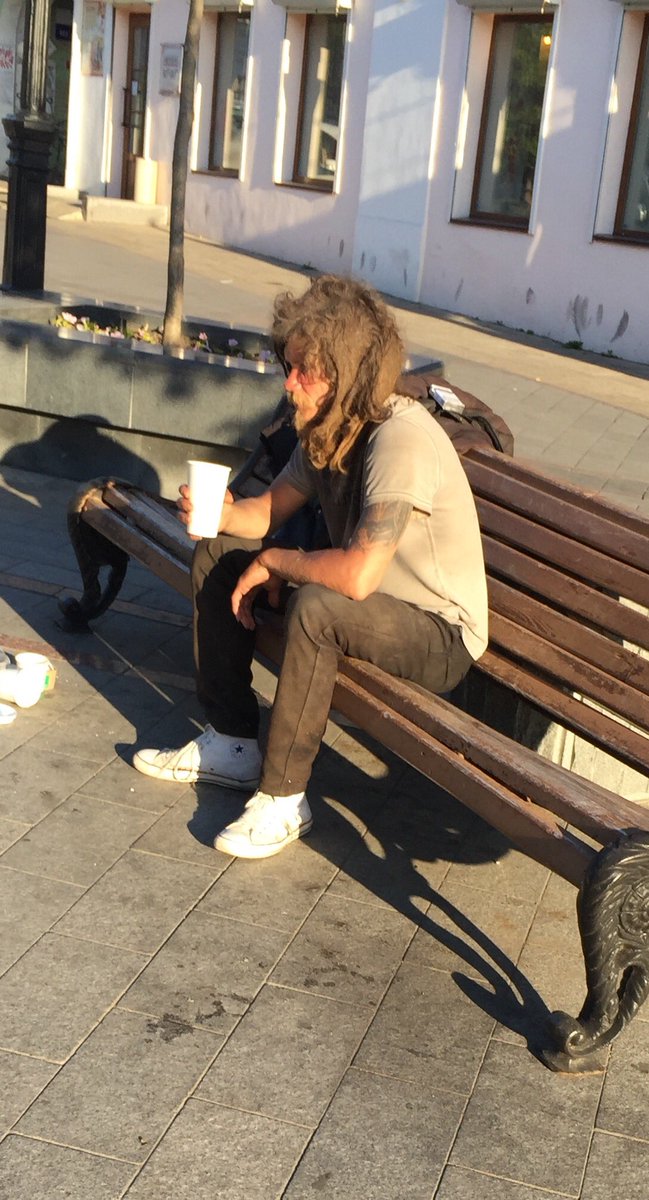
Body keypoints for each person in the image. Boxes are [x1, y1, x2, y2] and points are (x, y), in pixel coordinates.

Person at [133, 275, 488, 858]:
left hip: (439, 630)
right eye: (290, 366)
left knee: (316, 608)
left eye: (305, 371)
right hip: (371, 606)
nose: (289, 382)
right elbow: (267, 511)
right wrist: (221, 513)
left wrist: (279, 561)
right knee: (220, 552)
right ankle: (231, 741)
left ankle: (283, 798)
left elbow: (357, 576)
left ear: (346, 376)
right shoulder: (327, 430)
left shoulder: (399, 439)